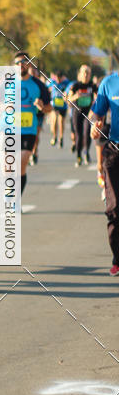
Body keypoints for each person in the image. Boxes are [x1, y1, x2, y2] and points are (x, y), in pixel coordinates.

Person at [90, 71, 119, 274]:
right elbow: (97, 112)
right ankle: (118, 258)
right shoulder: (109, 82)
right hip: (115, 150)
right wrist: (95, 125)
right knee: (115, 207)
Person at [15, 52, 51, 198]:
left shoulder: (38, 85)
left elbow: (49, 108)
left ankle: (14, 198)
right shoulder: (6, 83)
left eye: (24, 61)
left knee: (21, 164)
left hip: (29, 129)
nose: (20, 65)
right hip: (8, 129)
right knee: (7, 167)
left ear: (29, 64)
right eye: (17, 62)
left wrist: (42, 107)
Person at [68, 64, 95, 166]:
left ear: (90, 75)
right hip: (77, 113)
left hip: (88, 114)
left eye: (88, 73)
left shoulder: (92, 85)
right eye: (84, 72)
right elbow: (68, 99)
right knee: (78, 135)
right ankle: (78, 155)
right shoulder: (75, 86)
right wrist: (76, 96)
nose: (86, 75)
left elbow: (97, 97)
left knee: (87, 133)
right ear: (80, 74)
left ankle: (86, 152)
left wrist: (95, 101)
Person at [47, 70, 68, 147]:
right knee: (54, 120)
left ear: (63, 77)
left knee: (61, 121)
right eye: (57, 78)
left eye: (60, 79)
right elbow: (45, 87)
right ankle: (54, 136)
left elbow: (70, 88)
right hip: (54, 105)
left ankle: (61, 137)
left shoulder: (66, 83)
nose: (58, 80)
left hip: (63, 105)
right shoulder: (52, 82)